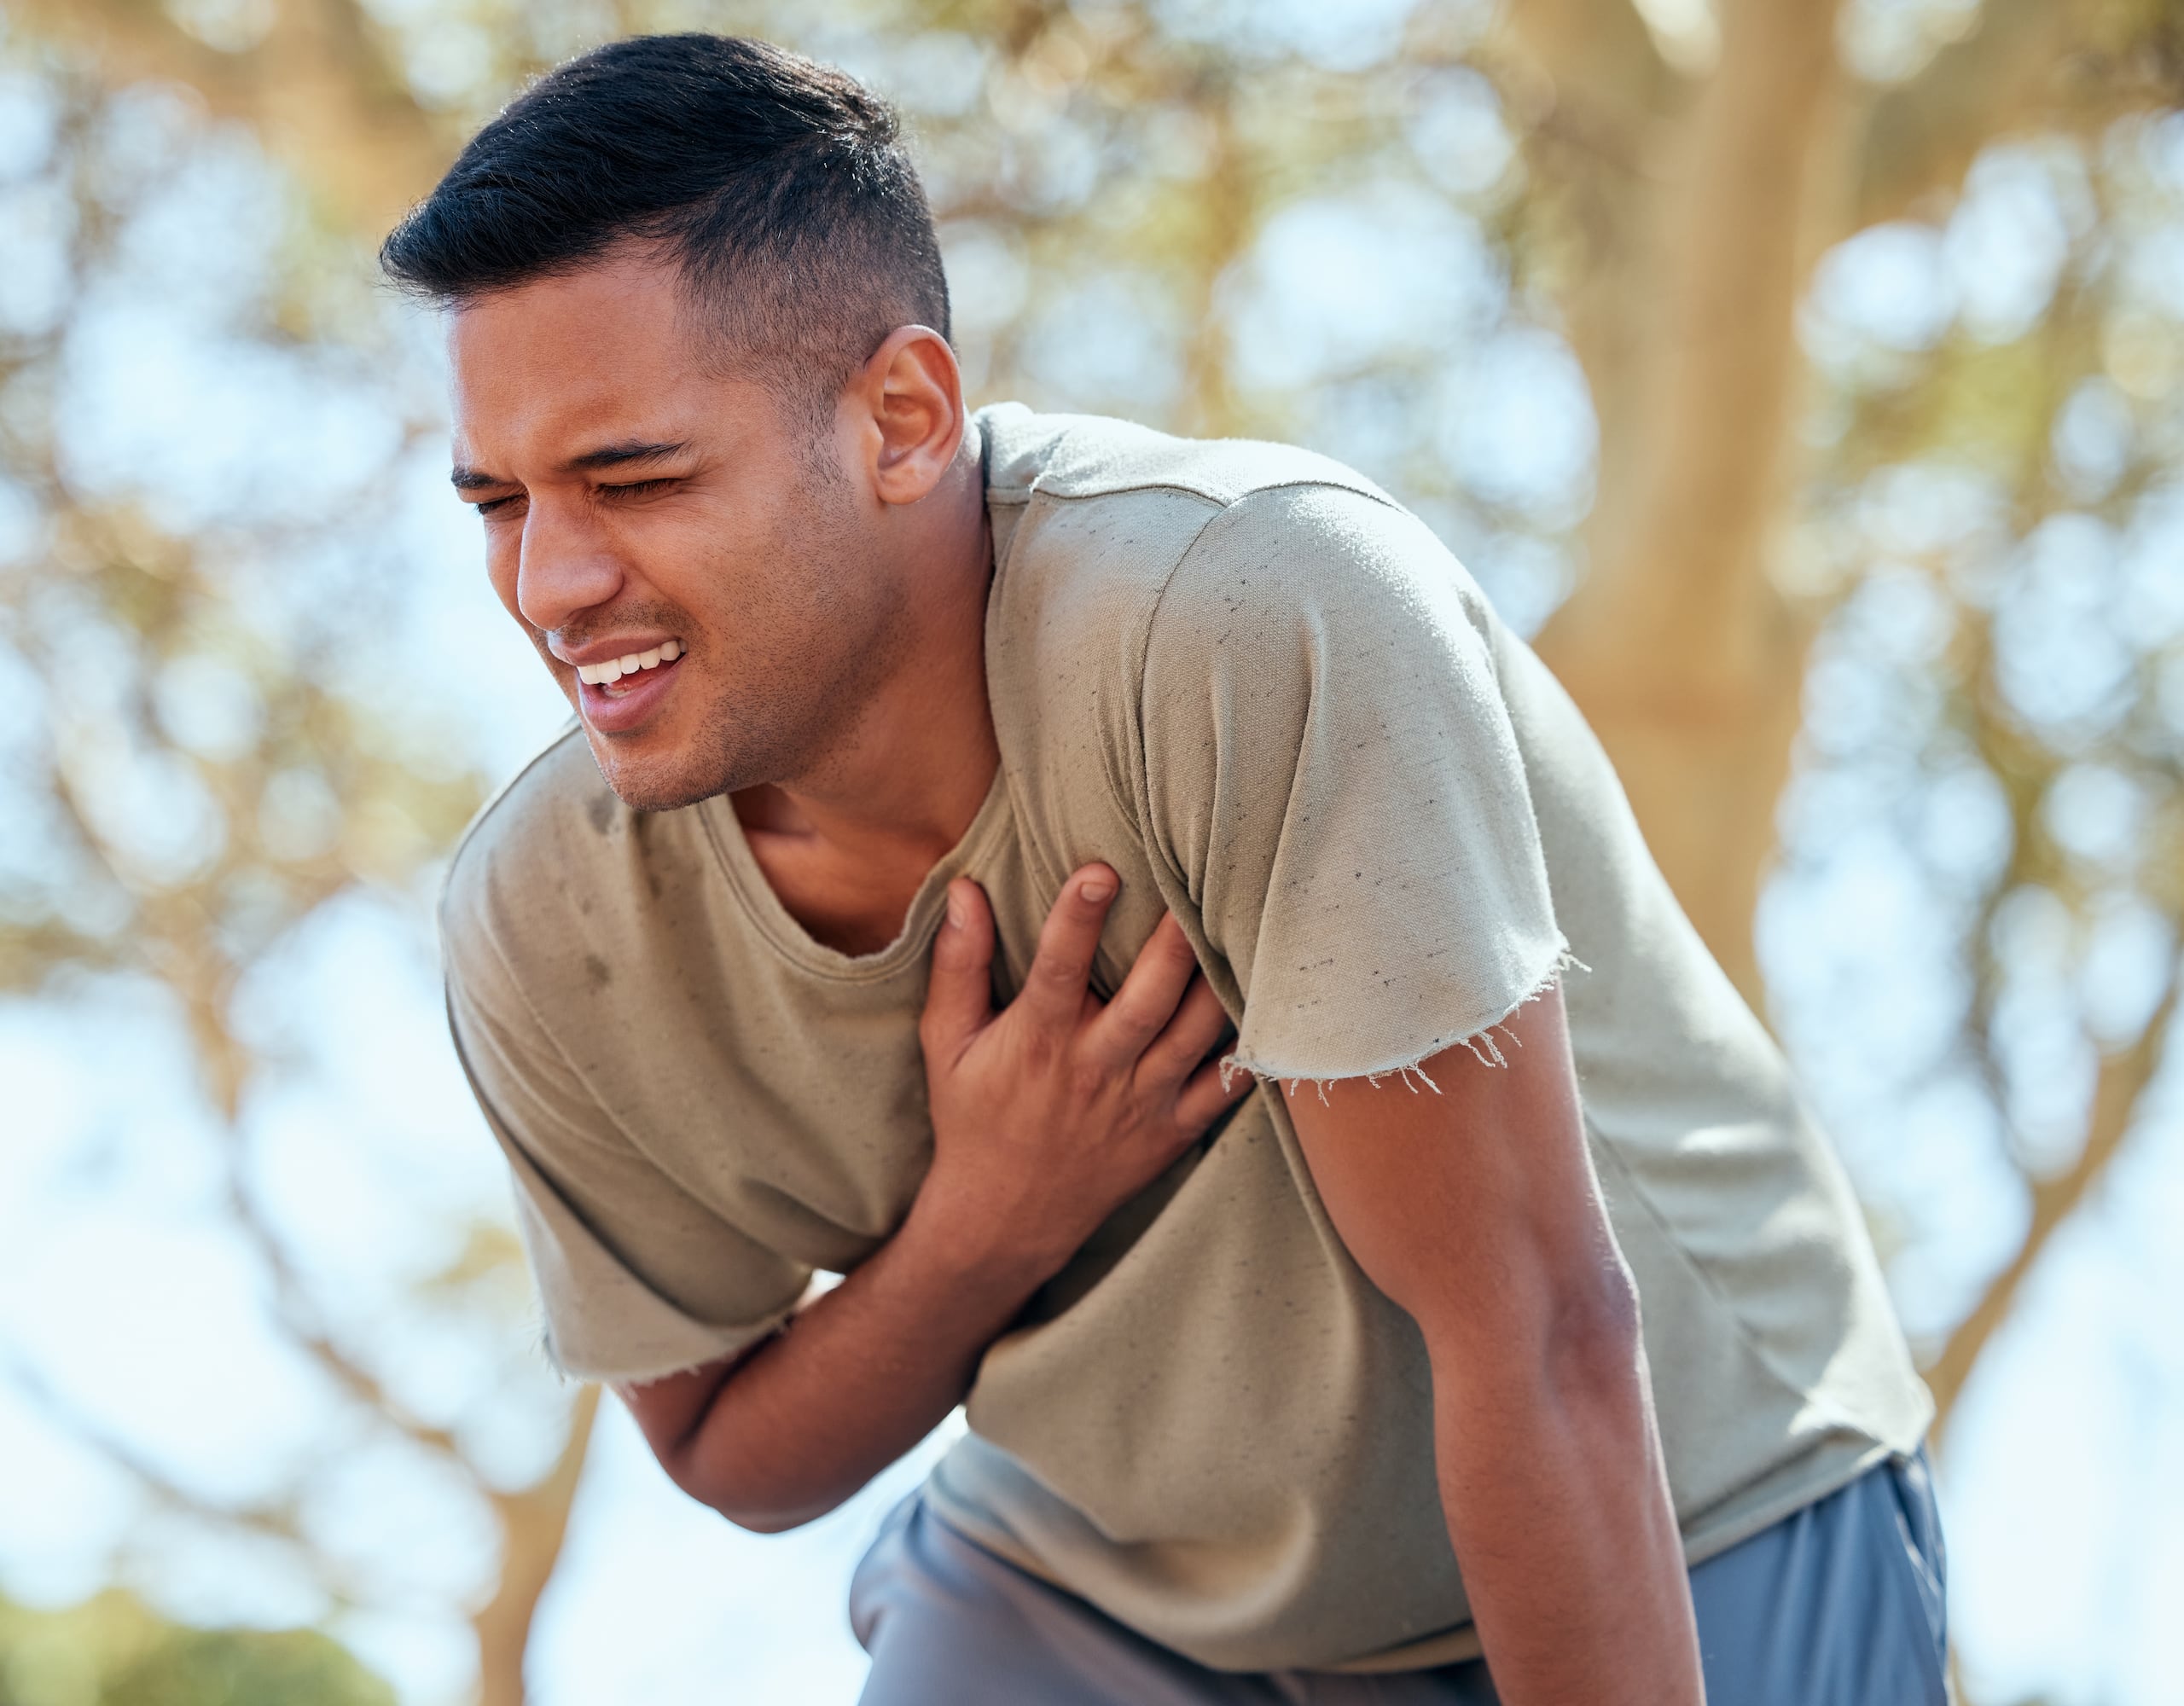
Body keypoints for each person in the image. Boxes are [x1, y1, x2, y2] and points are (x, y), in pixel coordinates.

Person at [382, 32, 1948, 1706]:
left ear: (903, 420)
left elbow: (1540, 1331)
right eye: (499, 503)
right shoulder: (544, 920)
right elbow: (724, 1450)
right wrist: (980, 1227)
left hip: (1685, 1498)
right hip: (1114, 1579)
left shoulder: (1252, 614)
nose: (550, 584)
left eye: (634, 480)